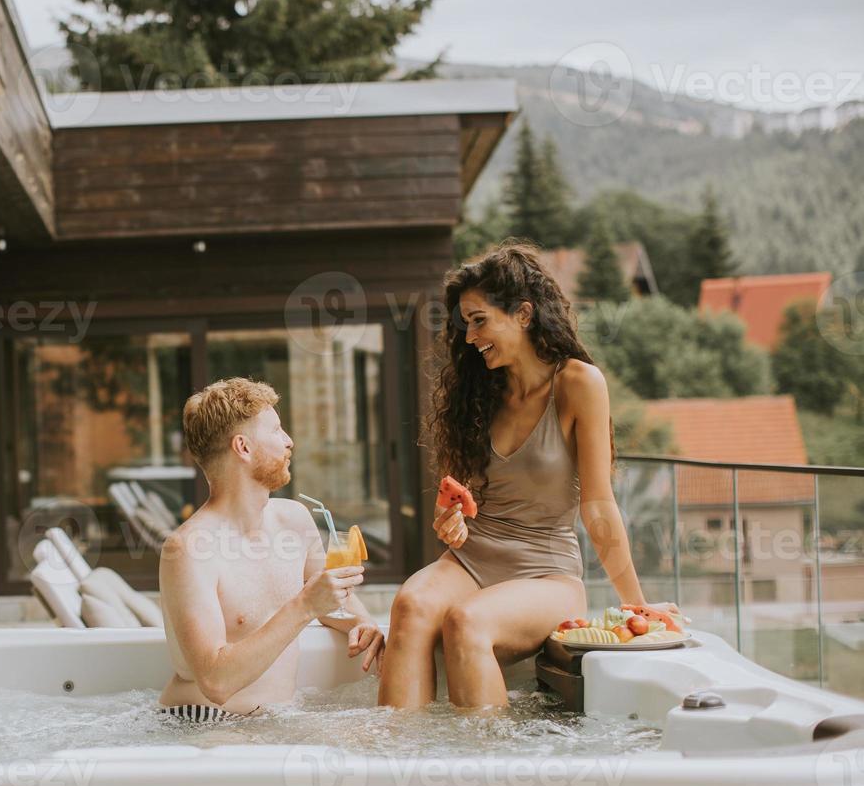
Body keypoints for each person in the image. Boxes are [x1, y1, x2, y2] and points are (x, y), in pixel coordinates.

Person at [378, 241, 677, 709]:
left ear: (522, 313)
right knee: (410, 606)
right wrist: (449, 520)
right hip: (472, 561)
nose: (471, 337)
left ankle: (491, 772)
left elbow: (597, 505)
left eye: (479, 320)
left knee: (467, 622)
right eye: (466, 324)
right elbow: (456, 501)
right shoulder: (477, 395)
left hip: (546, 573)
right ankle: (395, 766)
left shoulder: (578, 384)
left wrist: (635, 603)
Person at [158, 377, 384, 721]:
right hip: (202, 724)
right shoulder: (188, 550)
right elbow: (215, 682)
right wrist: (306, 605)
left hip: (274, 721)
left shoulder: (294, 519)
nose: (289, 441)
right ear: (243, 448)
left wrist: (363, 623)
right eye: (277, 430)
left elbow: (331, 598)